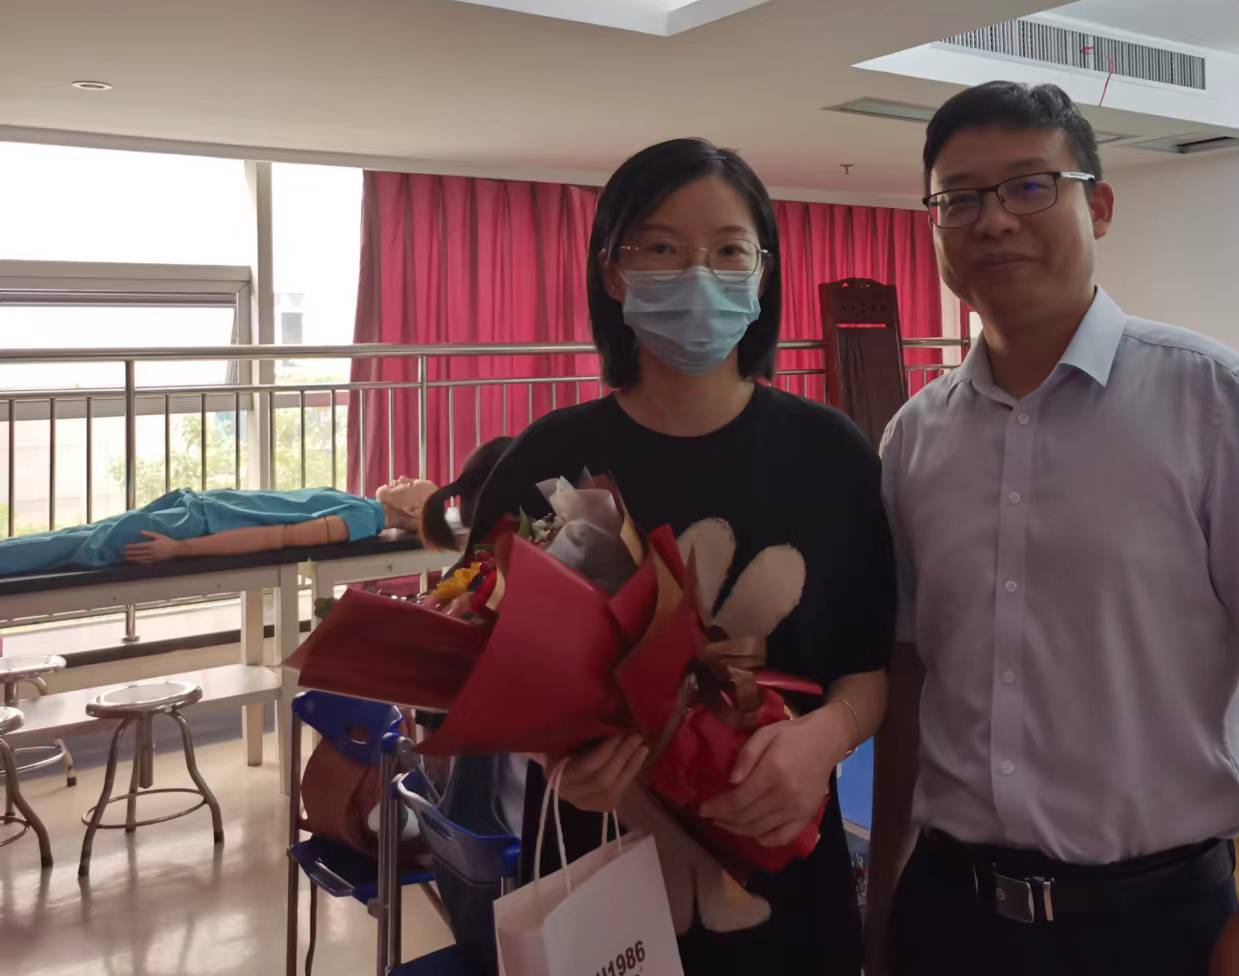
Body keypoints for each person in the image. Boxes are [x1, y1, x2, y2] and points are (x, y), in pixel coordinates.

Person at [869, 81, 1239, 976]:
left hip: (1151, 921)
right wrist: (887, 890)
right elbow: (909, 676)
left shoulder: (1212, 398)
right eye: (959, 199)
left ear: (1101, 206)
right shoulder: (913, 438)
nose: (993, 220)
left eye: (1029, 185)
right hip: (952, 909)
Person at [466, 138, 895, 976]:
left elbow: (870, 668)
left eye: (729, 250)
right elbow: (484, 671)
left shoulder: (833, 455)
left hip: (791, 888)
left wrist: (826, 740)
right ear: (613, 271)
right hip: (599, 894)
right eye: (661, 247)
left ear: (762, 275)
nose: (698, 274)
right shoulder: (549, 462)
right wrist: (553, 759)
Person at [0, 439, 509, 576]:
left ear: (417, 507)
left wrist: (180, 550)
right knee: (65, 539)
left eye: (409, 482)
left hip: (188, 527)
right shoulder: (360, 507)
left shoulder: (360, 520)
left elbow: (276, 538)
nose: (399, 477)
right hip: (189, 511)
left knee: (62, 547)